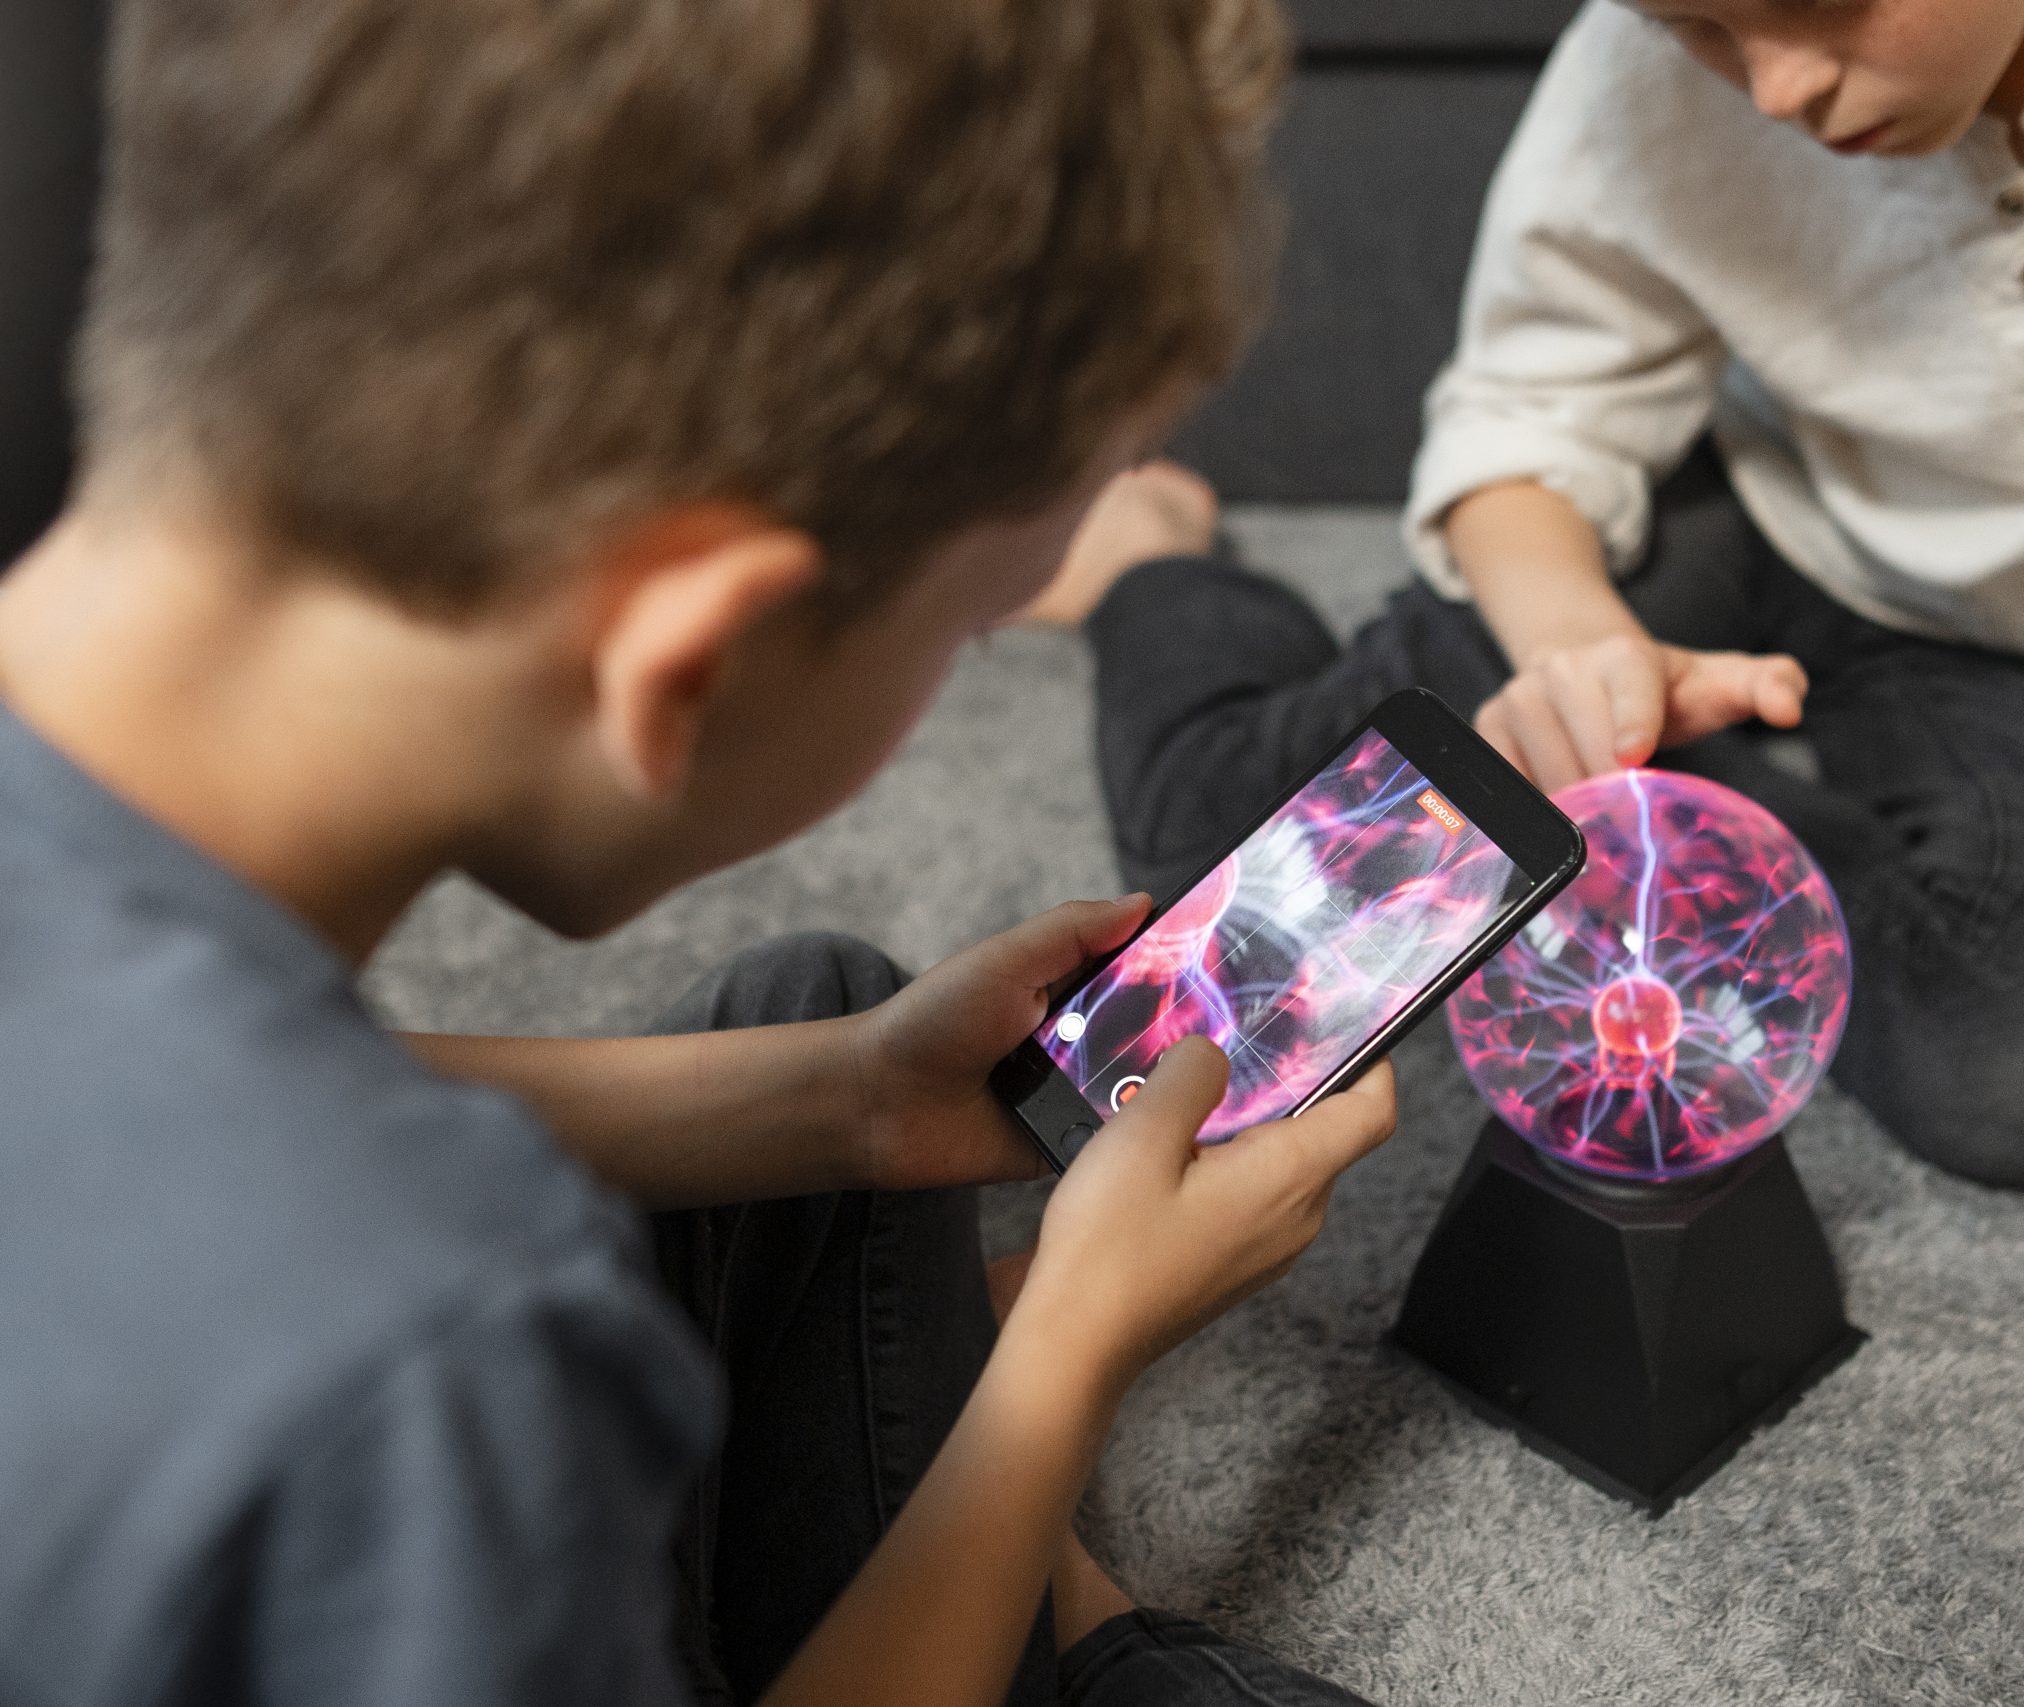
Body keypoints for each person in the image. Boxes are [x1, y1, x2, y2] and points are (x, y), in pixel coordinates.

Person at [0, 1, 1391, 1703]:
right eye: (964, 629)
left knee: (817, 1012)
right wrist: (1063, 1362)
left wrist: (845, 1098)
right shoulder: (435, 1358)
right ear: (691, 665)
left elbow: (205, 1083)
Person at [1029, 0, 2024, 1193]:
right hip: (1739, 509)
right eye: (1700, 28)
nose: (1773, 90)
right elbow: (1528, 421)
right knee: (1217, 861)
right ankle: (1153, 557)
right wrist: (1580, 649)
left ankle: (1677, 793)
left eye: (1822, 3)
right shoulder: (1644, 69)